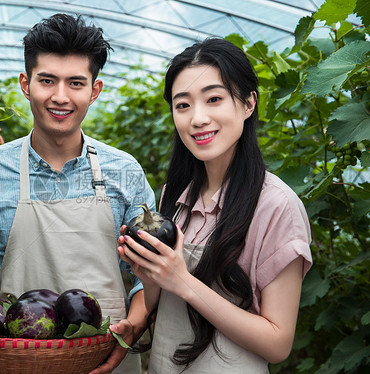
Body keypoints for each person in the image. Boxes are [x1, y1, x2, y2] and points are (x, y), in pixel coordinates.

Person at [0, 13, 155, 374]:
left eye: (76, 82)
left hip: (106, 358)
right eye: (47, 80)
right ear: (26, 84)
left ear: (95, 89)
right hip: (17, 358)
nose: (60, 97)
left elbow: (145, 274)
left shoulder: (124, 171)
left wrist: (133, 325)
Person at [118, 38, 313, 373]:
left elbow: (278, 343)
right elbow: (163, 300)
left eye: (214, 99)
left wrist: (183, 281)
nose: (198, 118)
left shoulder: (276, 206)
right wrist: (150, 275)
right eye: (183, 105)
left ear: (248, 103)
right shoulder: (173, 197)